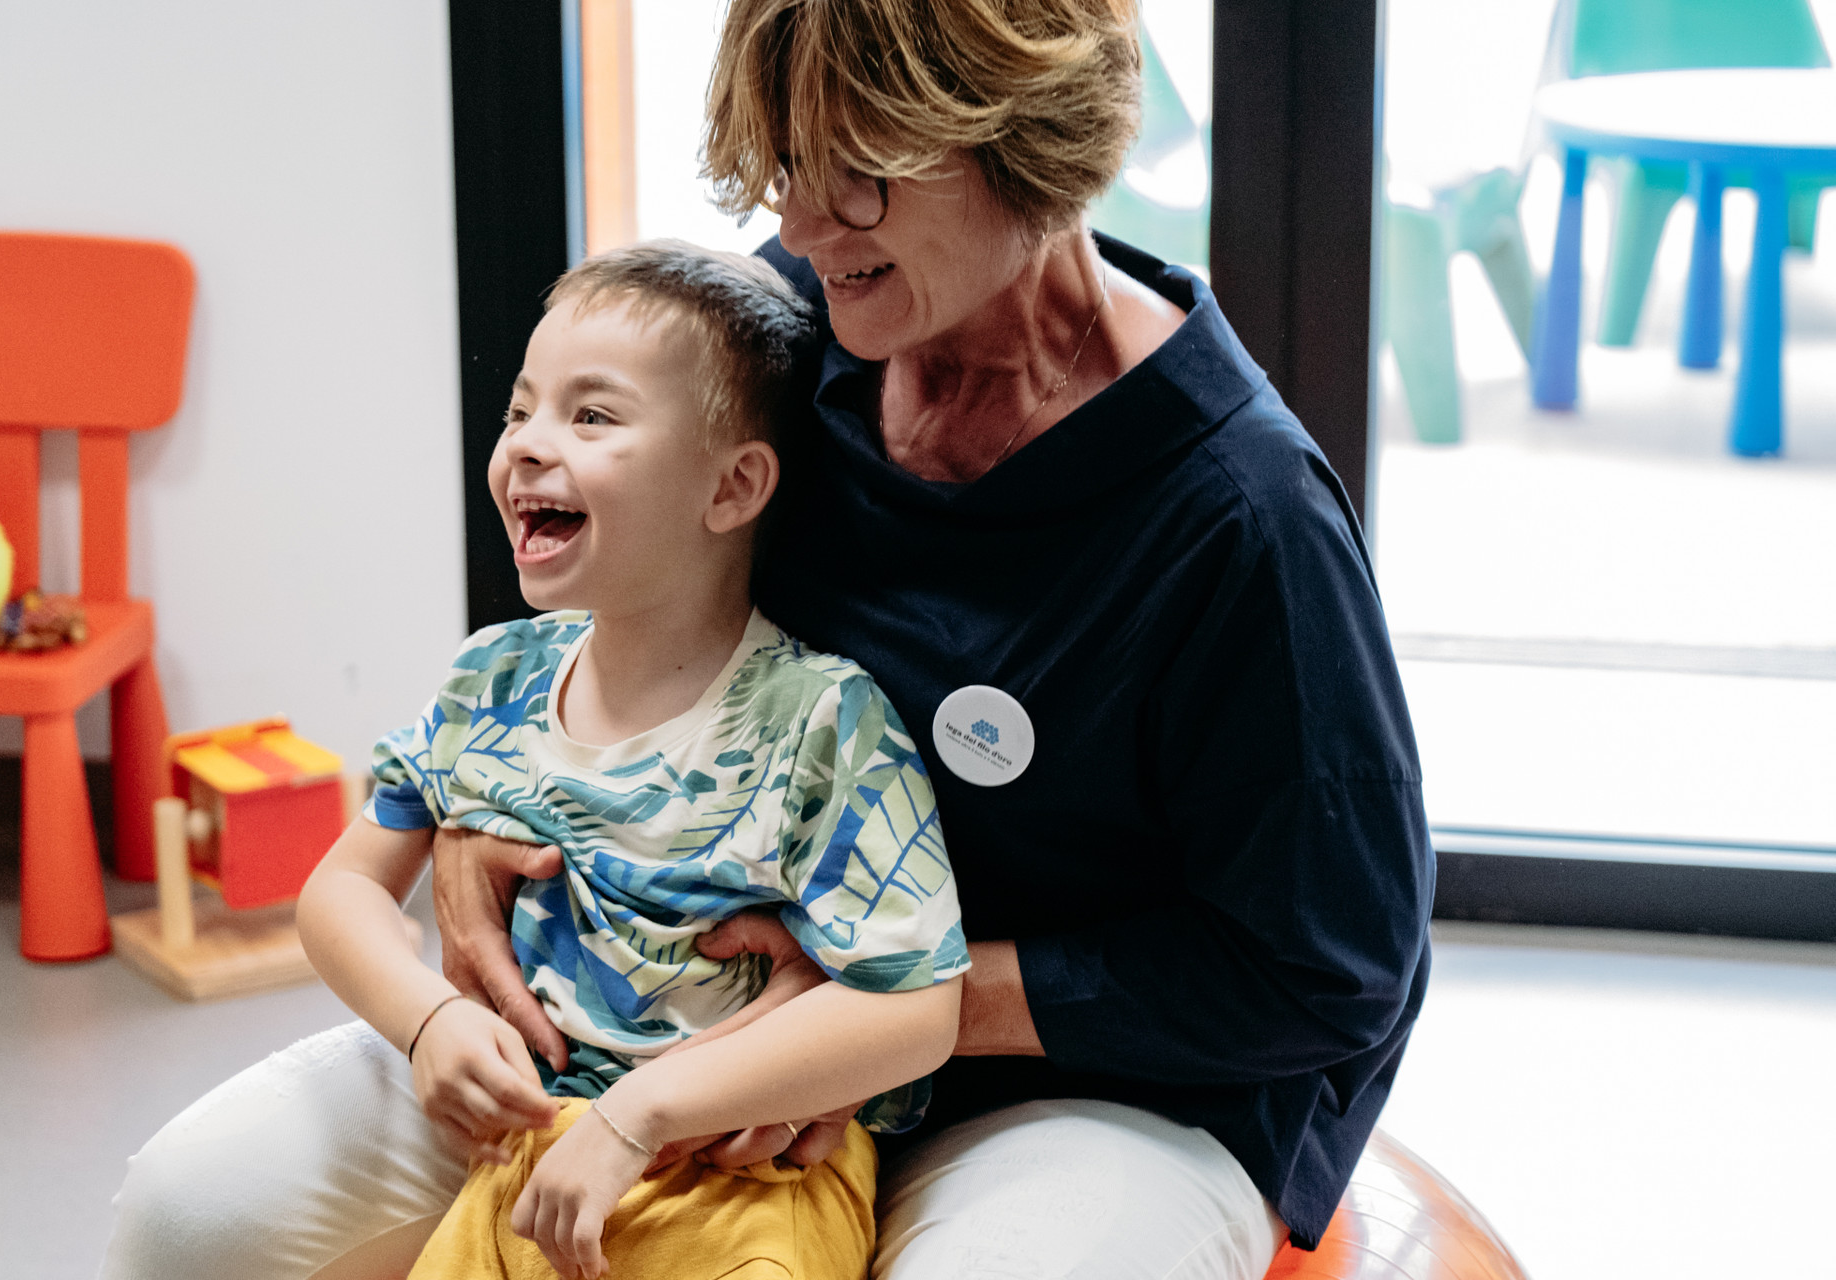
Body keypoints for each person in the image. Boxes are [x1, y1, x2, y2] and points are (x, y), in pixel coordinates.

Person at [101, 3, 1431, 1278]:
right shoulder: (804, 328)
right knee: (192, 1217)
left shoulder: (1243, 520)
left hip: (1068, 1089)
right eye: (782, 167)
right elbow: (611, 596)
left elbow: (1332, 973)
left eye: (856, 177)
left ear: (1019, 137)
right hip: (645, 999)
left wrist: (882, 1019)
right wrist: (467, 837)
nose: (798, 222)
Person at [295, 242, 968, 1280]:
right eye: (521, 410)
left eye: (591, 415)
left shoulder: (822, 721)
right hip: (526, 1164)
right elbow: (341, 887)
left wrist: (643, 1113)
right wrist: (426, 1021)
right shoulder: (493, 679)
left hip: (757, 1184)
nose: (526, 445)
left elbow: (916, 1004)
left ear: (733, 484)